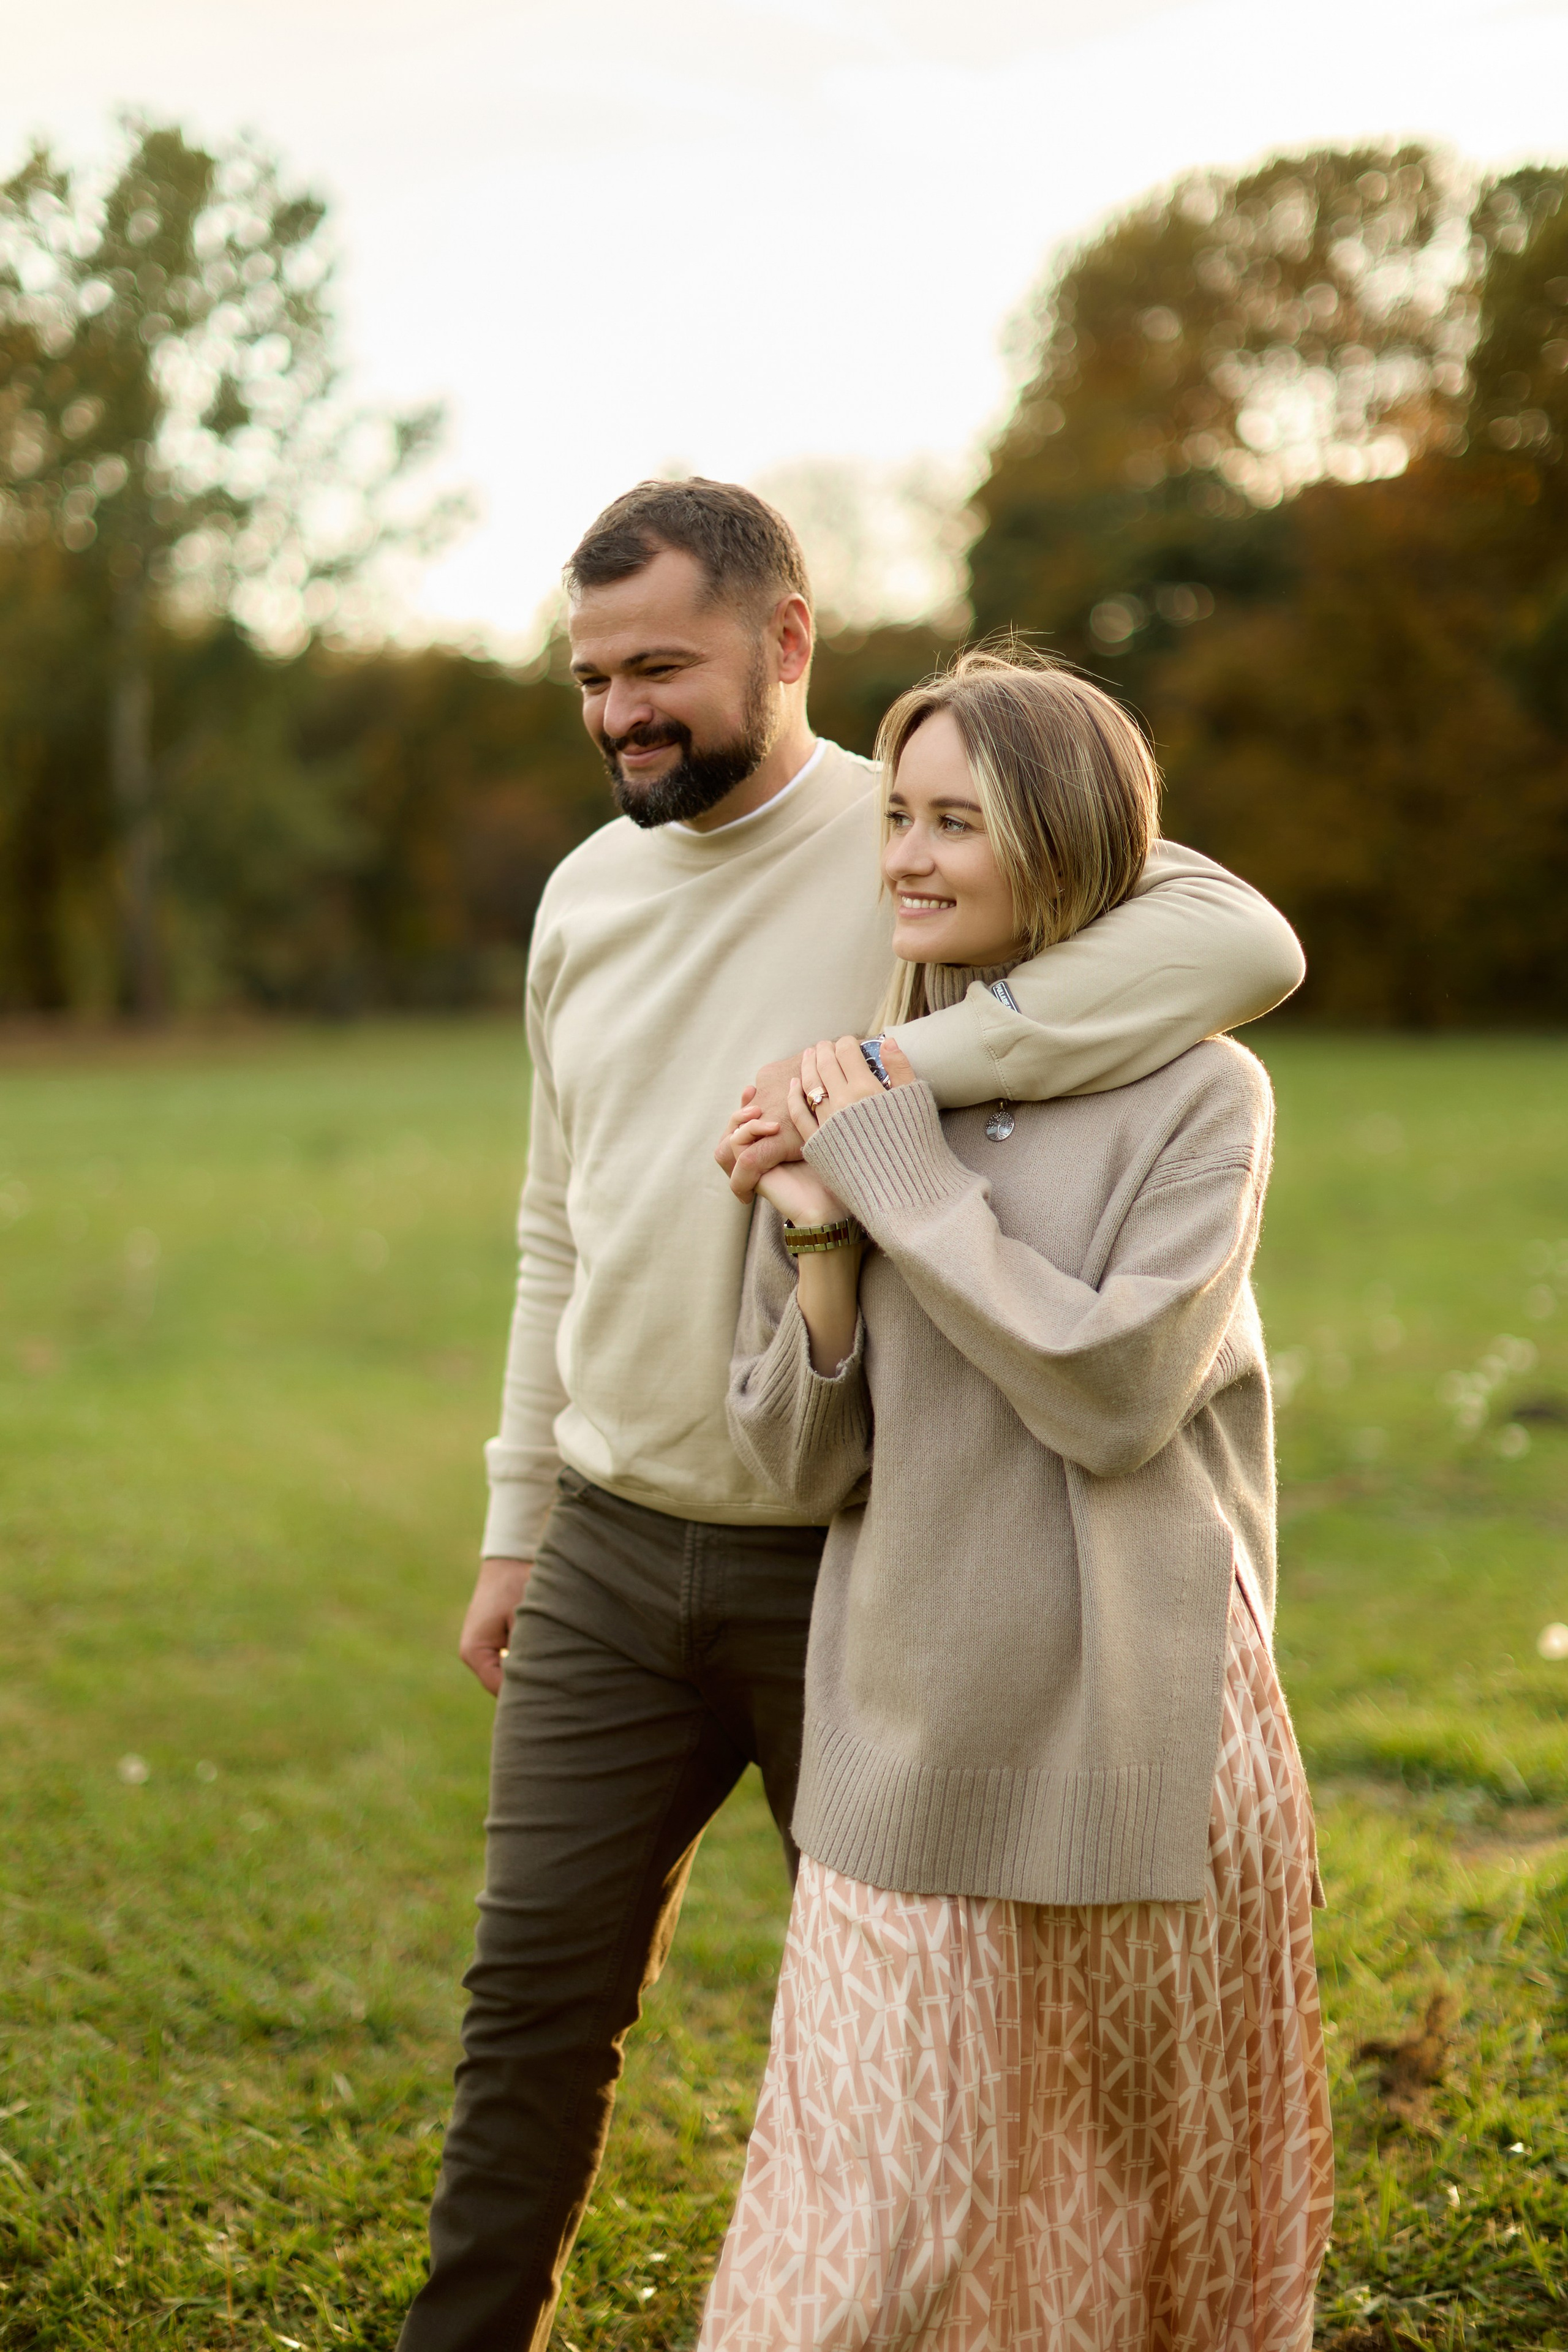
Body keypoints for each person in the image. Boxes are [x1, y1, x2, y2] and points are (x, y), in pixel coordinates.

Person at [397, 480, 1306, 2352]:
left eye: (661, 665)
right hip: (611, 1534)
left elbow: (1242, 950)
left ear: (786, 640)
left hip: (863, 1563)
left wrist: (880, 1068)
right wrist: (513, 1520)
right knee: (529, 2007)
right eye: (590, 676)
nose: (620, 710)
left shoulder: (931, 829)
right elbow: (556, 1226)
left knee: (925, 2059)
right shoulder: (583, 894)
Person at [704, 647, 1332, 2352]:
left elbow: (1116, 1394)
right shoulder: (875, 1071)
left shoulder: (1204, 1094)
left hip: (1130, 1733)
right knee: (856, 2236)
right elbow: (801, 1463)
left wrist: (891, 1175)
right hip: (907, 1717)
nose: (903, 854)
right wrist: (823, 1247)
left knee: (1119, 2232)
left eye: (955, 823)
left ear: (1057, 851)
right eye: (896, 816)